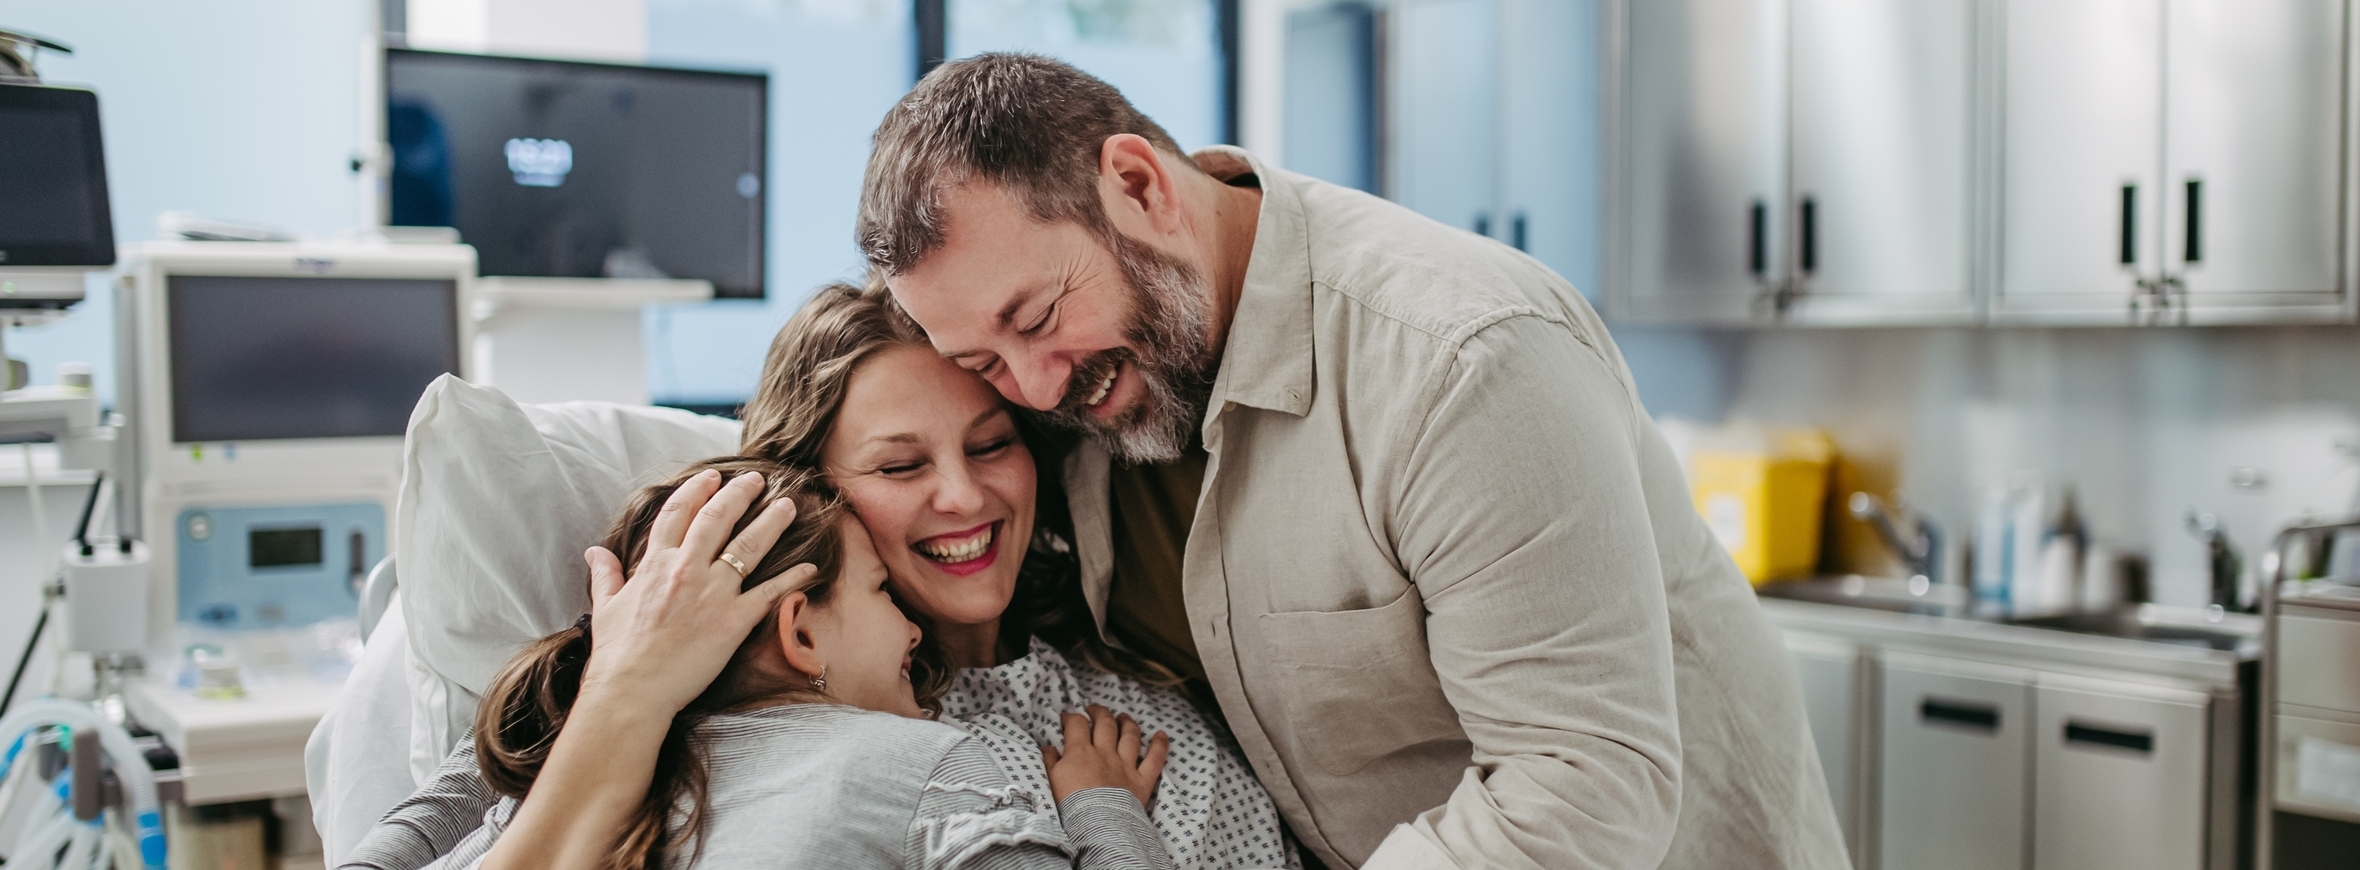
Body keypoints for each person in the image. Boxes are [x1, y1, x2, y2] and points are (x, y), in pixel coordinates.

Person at [857, 54, 1849, 869]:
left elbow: (1581, 788)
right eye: (983, 359)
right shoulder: (1079, 396)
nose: (1030, 388)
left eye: (1037, 319)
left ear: (1138, 185)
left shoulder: (1461, 360)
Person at [343, 285, 1297, 870]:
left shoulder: (1138, 729)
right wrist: (621, 692)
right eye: (899, 465)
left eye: (993, 444)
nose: (964, 496)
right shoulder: (597, 730)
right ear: (808, 493)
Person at [376, 456, 1177, 870]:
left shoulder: (525, 783)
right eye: (881, 592)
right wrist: (1105, 810)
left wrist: (607, 690)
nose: (914, 630)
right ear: (799, 633)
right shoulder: (929, 768)